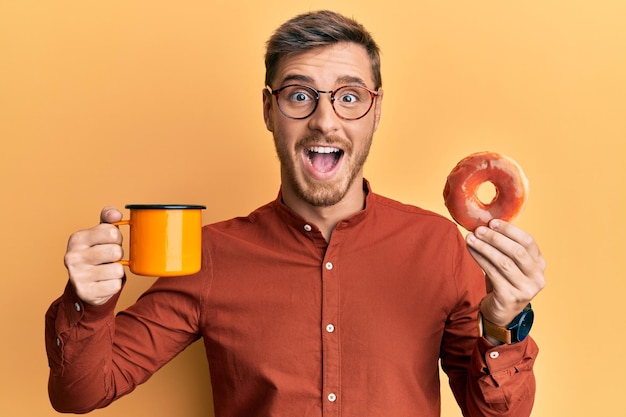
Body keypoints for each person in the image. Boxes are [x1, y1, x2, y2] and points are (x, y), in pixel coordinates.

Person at [45, 10, 546, 417]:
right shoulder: (211, 254)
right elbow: (82, 393)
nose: (324, 120)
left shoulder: (437, 245)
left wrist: (503, 321)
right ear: (268, 110)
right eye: (300, 96)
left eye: (349, 97)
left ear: (375, 111)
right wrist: (89, 304)